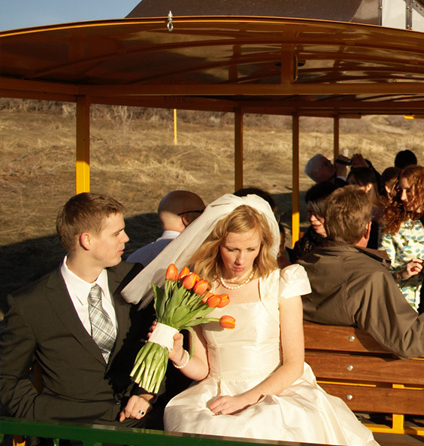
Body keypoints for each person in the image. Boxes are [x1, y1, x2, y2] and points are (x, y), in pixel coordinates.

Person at [121, 194, 377, 446]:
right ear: (217, 244)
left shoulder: (280, 283)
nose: (241, 259)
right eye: (231, 249)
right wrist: (179, 355)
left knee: (263, 422)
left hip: (276, 388)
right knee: (196, 419)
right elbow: (203, 368)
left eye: (250, 249)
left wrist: (246, 399)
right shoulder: (201, 288)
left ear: (263, 245)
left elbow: (293, 365)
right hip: (216, 388)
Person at [0, 193, 154, 425]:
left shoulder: (133, 278)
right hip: (70, 431)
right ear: (86, 240)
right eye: (116, 233)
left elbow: (158, 342)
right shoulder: (30, 304)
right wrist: (39, 414)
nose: (126, 238)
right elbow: (7, 377)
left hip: (139, 423)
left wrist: (145, 393)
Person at [299, 187, 424, 359]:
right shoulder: (369, 278)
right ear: (368, 229)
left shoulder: (302, 268)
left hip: (317, 373)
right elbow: (408, 338)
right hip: (361, 380)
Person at [378, 165, 424, 309]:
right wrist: (402, 274)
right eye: (400, 190)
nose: (402, 197)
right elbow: (381, 274)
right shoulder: (391, 224)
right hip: (403, 305)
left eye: (409, 191)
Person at [128, 190, 205, 265]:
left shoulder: (135, 257)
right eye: (202, 212)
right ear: (186, 219)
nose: (206, 216)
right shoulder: (198, 256)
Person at [289, 181, 339, 263]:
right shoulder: (303, 244)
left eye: (318, 212)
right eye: (309, 212)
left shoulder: (349, 243)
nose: (312, 218)